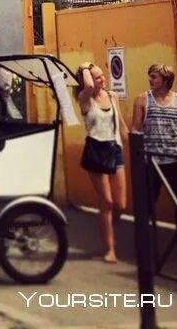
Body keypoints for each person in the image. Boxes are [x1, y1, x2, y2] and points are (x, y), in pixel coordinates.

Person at [77, 62, 128, 263]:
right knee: (106, 202)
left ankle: (105, 225)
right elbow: (88, 86)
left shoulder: (112, 96)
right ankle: (110, 249)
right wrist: (84, 68)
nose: (102, 80)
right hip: (96, 150)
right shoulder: (84, 98)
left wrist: (131, 144)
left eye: (103, 76)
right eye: (98, 77)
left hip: (114, 149)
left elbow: (121, 125)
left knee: (121, 204)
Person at [133, 62, 177, 249]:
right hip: (151, 161)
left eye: (154, 76)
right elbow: (135, 130)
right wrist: (138, 160)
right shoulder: (142, 99)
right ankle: (144, 246)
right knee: (146, 205)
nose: (150, 79)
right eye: (150, 75)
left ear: (166, 80)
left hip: (175, 159)